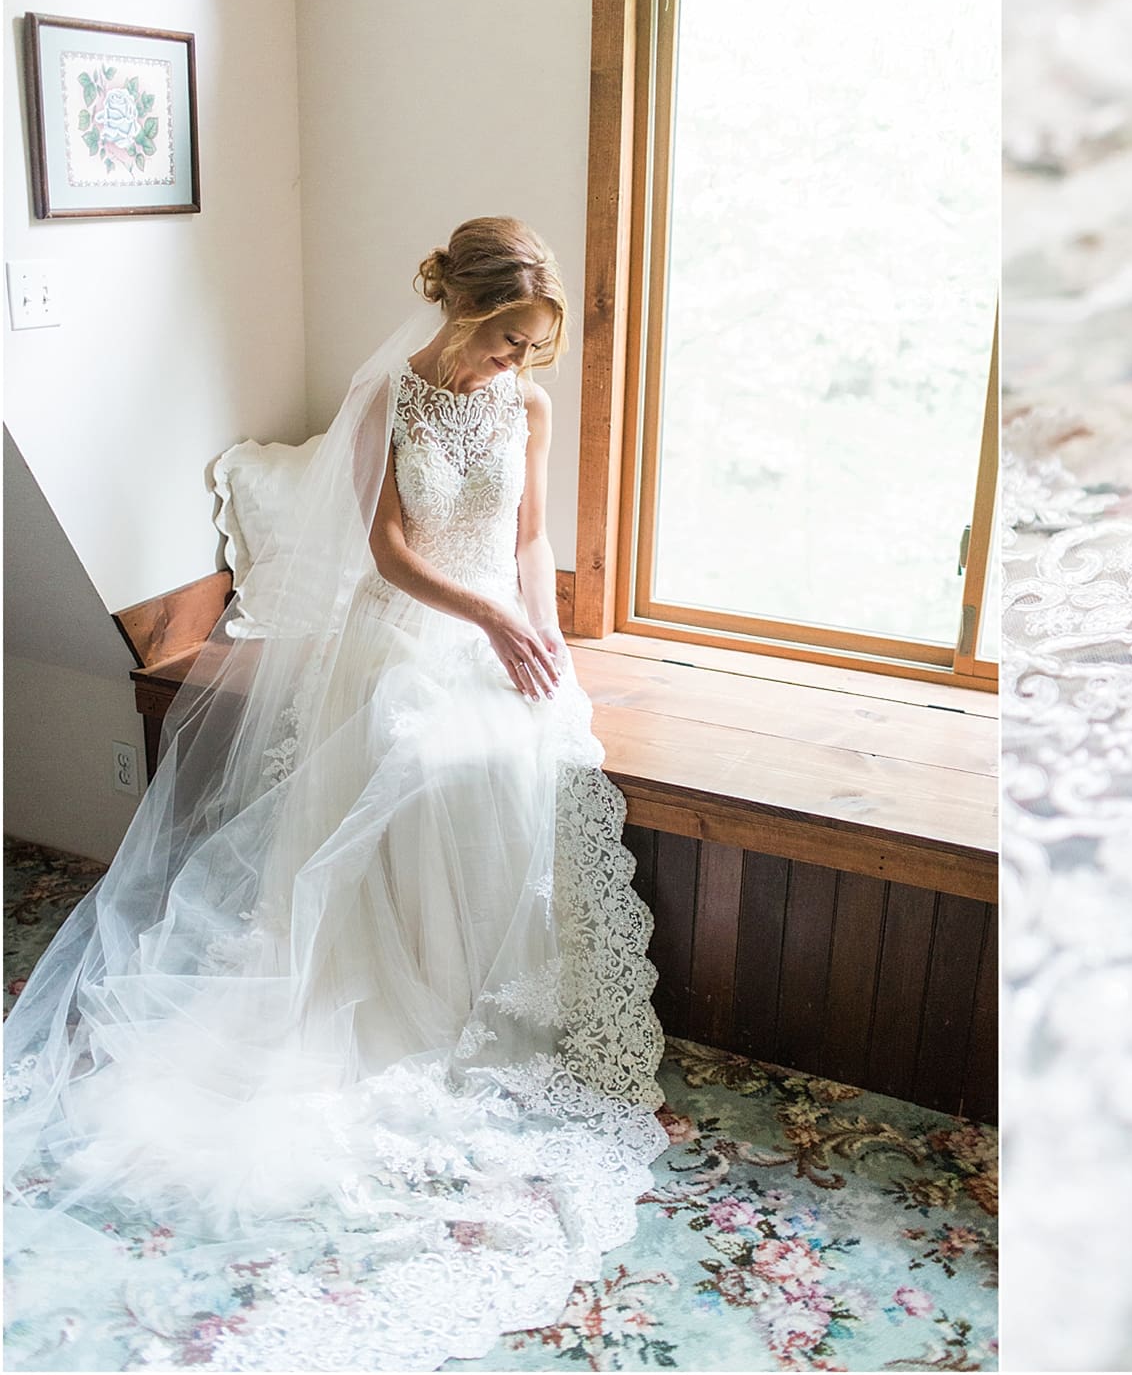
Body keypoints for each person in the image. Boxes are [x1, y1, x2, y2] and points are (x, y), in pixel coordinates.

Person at [3, 217, 667, 1370]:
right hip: (403, 637)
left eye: (530, 348)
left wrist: (545, 652)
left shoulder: (530, 408)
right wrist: (495, 623)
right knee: (412, 762)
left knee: (516, 763)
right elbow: (392, 550)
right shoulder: (388, 401)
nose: (515, 366)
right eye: (505, 341)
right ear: (458, 313)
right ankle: (391, 984)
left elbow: (529, 539)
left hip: (495, 629)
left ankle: (483, 993)